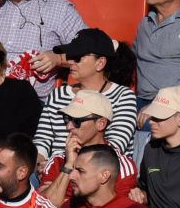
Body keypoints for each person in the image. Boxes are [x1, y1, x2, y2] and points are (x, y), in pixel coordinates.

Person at [32, 28, 136, 161]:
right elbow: (42, 140)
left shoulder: (123, 96)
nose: (70, 62)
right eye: (69, 56)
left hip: (98, 172)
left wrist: (67, 167)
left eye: (77, 58)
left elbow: (115, 146)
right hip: (54, 171)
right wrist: (41, 164)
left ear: (100, 63)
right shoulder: (58, 94)